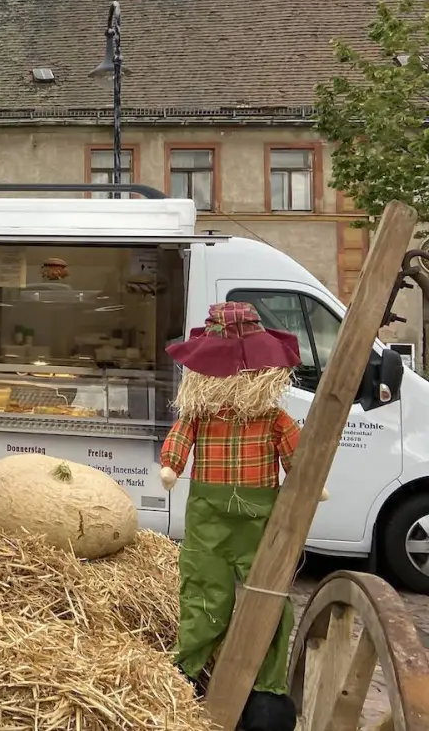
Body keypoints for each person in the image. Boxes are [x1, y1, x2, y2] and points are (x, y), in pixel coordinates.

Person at [160, 302, 328, 731]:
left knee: (267, 593)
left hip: (258, 518)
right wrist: (171, 465)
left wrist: (307, 480)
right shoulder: (200, 414)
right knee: (204, 587)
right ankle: (187, 666)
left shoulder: (272, 418)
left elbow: (297, 451)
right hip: (209, 516)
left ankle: (267, 688)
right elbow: (180, 438)